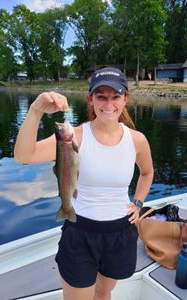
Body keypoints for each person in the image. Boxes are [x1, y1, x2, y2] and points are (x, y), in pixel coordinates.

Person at [14, 67, 154, 300]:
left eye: (115, 96)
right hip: (80, 233)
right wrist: (36, 110)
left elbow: (147, 173)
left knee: (104, 293)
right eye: (101, 96)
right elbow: (23, 156)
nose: (108, 104)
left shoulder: (137, 140)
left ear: (125, 99)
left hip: (120, 233)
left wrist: (138, 202)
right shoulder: (72, 137)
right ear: (91, 99)